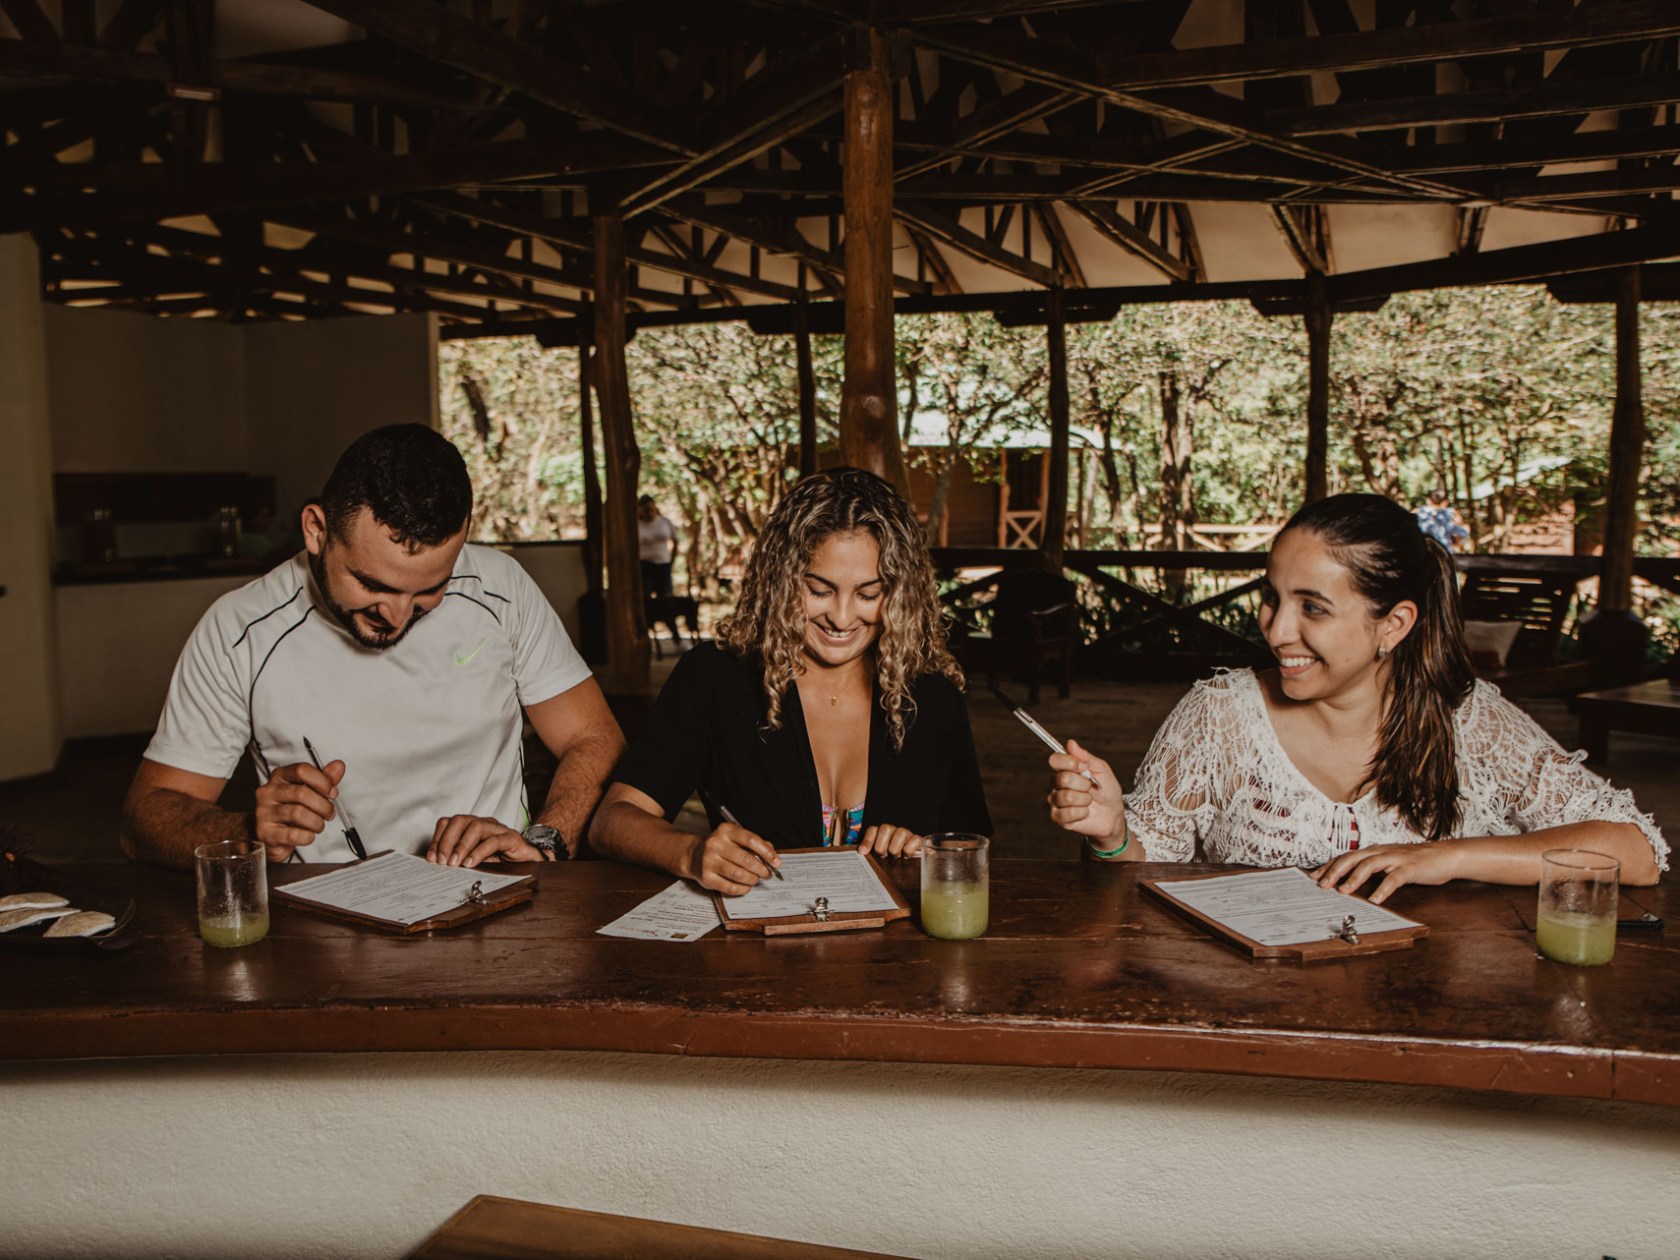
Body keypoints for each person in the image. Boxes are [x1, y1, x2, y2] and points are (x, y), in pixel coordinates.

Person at [1046, 493, 1666, 902]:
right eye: (1272, 598)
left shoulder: (1468, 719)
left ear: (1393, 625)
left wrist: (1445, 857)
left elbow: (1637, 852)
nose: (1276, 630)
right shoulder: (1220, 714)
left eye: (1312, 608)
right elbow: (1139, 883)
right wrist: (1113, 834)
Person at [120, 424, 624, 870]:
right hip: (324, 919)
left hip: (491, 894)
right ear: (317, 530)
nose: (398, 616)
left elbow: (594, 738)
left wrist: (544, 842)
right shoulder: (240, 629)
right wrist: (250, 830)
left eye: (429, 590)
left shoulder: (501, 588)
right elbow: (145, 818)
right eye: (372, 585)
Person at [590, 467, 991, 894]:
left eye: (869, 594)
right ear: (780, 581)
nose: (841, 617)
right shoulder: (716, 678)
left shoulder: (932, 696)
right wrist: (691, 853)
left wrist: (924, 851)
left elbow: (971, 847)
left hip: (898, 938)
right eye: (819, 590)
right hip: (758, 936)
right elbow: (611, 821)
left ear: (899, 594)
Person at [637, 494, 678, 600]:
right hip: (644, 566)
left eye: (650, 509)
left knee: (666, 597)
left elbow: (675, 541)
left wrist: (671, 561)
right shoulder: (637, 525)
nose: (648, 512)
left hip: (664, 565)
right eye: (645, 510)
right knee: (646, 598)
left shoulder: (665, 522)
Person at [1415, 487, 1469, 552]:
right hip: (1444, 552)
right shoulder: (1452, 513)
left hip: (1422, 552)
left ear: (1428, 500)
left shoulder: (1418, 512)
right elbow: (1461, 533)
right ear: (1445, 502)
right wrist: (1455, 545)